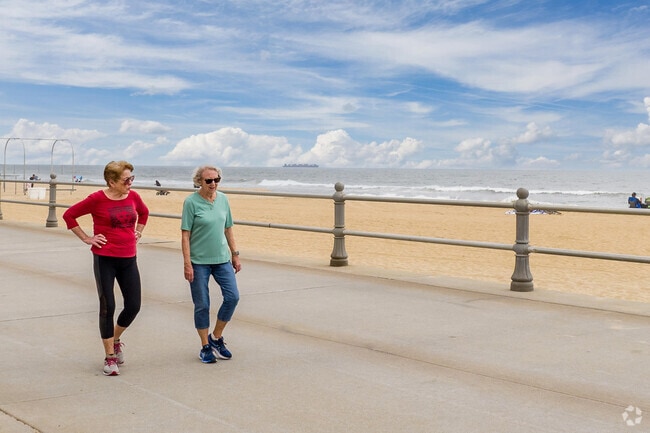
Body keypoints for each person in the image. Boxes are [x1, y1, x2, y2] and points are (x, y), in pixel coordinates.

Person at [62, 161, 149, 376]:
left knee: (134, 306)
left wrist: (138, 231)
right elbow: (69, 215)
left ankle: (116, 338)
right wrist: (87, 238)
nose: (130, 183)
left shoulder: (133, 197)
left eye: (132, 178)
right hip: (105, 259)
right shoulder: (97, 199)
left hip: (129, 258)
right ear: (111, 181)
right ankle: (110, 357)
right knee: (107, 305)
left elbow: (144, 213)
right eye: (126, 180)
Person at [181, 166, 241, 364]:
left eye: (217, 179)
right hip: (198, 262)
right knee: (202, 305)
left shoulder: (223, 199)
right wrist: (187, 263)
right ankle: (205, 346)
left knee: (232, 297)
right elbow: (185, 234)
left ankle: (216, 337)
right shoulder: (191, 202)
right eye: (208, 181)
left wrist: (235, 254)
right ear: (199, 181)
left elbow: (228, 228)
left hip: (222, 259)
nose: (213, 183)